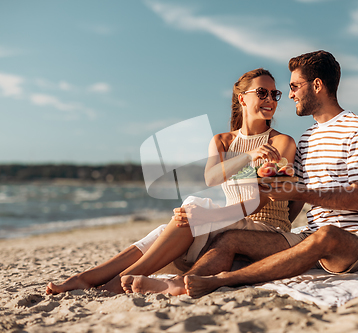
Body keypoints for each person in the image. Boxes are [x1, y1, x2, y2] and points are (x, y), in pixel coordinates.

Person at [129, 50, 358, 297]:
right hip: (308, 235)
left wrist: (298, 191)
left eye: (294, 87)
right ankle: (181, 283)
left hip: (356, 241)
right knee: (231, 239)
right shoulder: (307, 138)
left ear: (317, 85)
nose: (289, 95)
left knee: (326, 235)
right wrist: (281, 197)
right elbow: (294, 201)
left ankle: (222, 280)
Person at [46, 68, 296, 296]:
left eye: (275, 94)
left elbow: (263, 199)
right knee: (170, 227)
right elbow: (211, 177)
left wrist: (208, 217)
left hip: (266, 228)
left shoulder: (281, 143)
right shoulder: (223, 141)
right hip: (231, 221)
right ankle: (85, 278)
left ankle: (115, 283)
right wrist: (248, 156)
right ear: (242, 98)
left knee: (189, 217)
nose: (270, 100)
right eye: (262, 92)